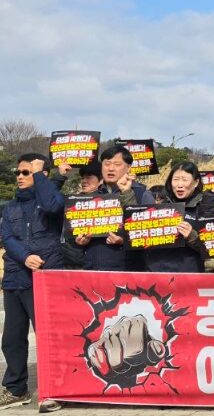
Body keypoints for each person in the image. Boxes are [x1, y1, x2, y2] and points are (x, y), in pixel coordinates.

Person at [1, 154, 65, 412]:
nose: (20, 176)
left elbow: (51, 205)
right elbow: (6, 236)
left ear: (42, 175)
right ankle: (16, 389)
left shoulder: (52, 201)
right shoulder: (9, 207)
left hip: (45, 278)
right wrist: (25, 257)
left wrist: (39, 175)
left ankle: (55, 391)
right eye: (19, 172)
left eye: (27, 172)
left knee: (49, 338)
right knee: (13, 338)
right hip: (16, 277)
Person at [76, 146, 155, 272]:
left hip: (127, 271)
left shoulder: (142, 194)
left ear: (128, 167)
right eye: (107, 164)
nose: (111, 168)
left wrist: (124, 240)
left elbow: (150, 235)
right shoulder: (91, 197)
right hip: (93, 269)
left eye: (117, 164)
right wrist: (81, 242)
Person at [144, 161, 214, 273]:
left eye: (185, 180)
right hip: (155, 272)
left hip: (187, 275)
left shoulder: (204, 207)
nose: (180, 184)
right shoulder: (157, 207)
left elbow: (211, 247)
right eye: (175, 179)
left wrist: (192, 236)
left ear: (195, 182)